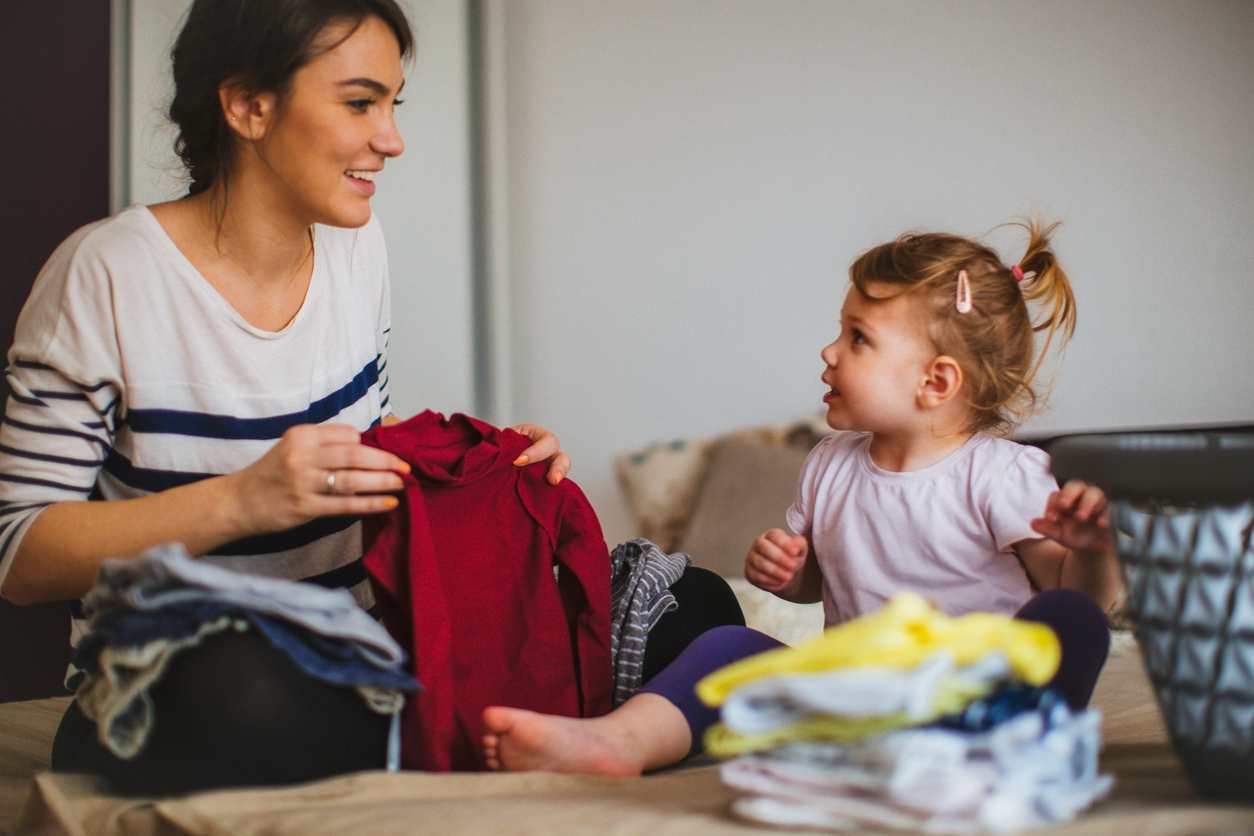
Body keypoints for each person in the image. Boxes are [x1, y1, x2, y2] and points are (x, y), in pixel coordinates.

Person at [0, 0, 755, 794]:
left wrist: (487, 466)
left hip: (371, 641)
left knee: (695, 604)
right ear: (248, 105)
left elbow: (367, 440)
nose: (391, 139)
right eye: (360, 103)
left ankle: (490, 730)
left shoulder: (356, 245)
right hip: (197, 667)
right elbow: (18, 553)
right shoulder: (105, 275)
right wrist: (241, 501)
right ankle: (473, 727)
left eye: (393, 104)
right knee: (233, 694)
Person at [744, 220, 1121, 710]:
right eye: (841, 329)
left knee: (1075, 621)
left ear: (936, 383)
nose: (829, 351)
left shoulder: (1000, 475)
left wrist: (1093, 552)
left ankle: (1008, 723)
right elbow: (818, 582)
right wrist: (786, 573)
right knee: (727, 645)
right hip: (863, 695)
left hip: (975, 695)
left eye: (857, 337)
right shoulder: (827, 464)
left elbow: (1073, 592)